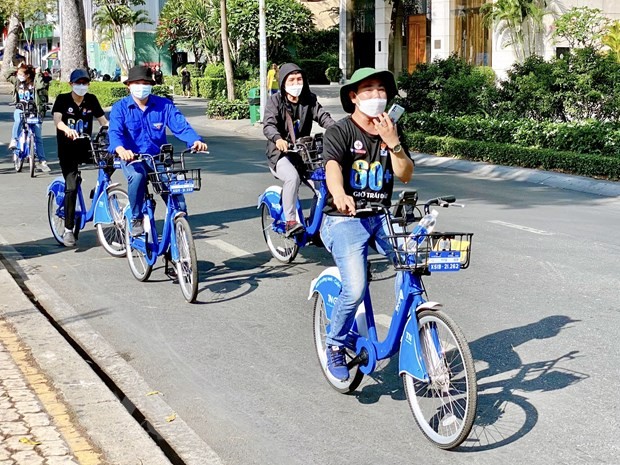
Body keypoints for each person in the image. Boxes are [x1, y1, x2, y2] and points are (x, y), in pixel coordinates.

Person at [320, 67, 414, 381]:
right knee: (356, 287)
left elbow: (405, 174)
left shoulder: (392, 128)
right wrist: (340, 194)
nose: (376, 96)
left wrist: (393, 142)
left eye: (381, 90)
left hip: (381, 216)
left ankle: (414, 330)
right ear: (353, 96)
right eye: (369, 90)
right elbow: (332, 167)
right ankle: (334, 343)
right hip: (344, 218)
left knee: (412, 264)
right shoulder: (340, 131)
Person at [108, 65, 207, 236]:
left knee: (176, 195)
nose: (141, 86)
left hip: (159, 159)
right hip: (134, 159)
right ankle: (136, 218)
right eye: (137, 82)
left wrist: (195, 140)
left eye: (145, 82)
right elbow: (114, 132)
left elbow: (181, 126)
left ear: (151, 85)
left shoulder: (164, 105)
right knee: (138, 177)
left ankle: (180, 231)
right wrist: (121, 149)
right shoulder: (120, 108)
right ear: (128, 85)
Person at [263, 62, 336, 236]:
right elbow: (268, 125)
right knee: (292, 177)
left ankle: (314, 224)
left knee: (324, 186)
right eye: (292, 80)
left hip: (305, 154)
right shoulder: (275, 101)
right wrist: (278, 139)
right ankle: (290, 221)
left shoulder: (309, 99)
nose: (296, 83)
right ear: (283, 83)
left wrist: (339, 130)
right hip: (280, 154)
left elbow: (323, 117)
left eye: (299, 79)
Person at [52, 69, 109, 247]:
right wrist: (66, 129)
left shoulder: (91, 100)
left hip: (87, 148)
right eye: (78, 83)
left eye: (85, 83)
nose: (82, 86)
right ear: (71, 84)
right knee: (71, 185)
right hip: (67, 149)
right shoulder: (62, 100)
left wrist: (114, 133)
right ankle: (69, 229)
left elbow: (103, 121)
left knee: (110, 163)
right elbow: (57, 120)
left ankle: (101, 193)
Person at [8, 63, 51, 172]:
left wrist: (38, 74)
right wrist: (17, 68)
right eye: (18, 74)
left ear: (27, 75)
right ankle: (14, 140)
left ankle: (42, 161)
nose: (19, 76)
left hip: (34, 111)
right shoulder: (18, 82)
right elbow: (6, 75)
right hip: (21, 108)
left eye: (21, 74)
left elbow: (41, 86)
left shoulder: (35, 83)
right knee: (18, 120)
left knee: (38, 137)